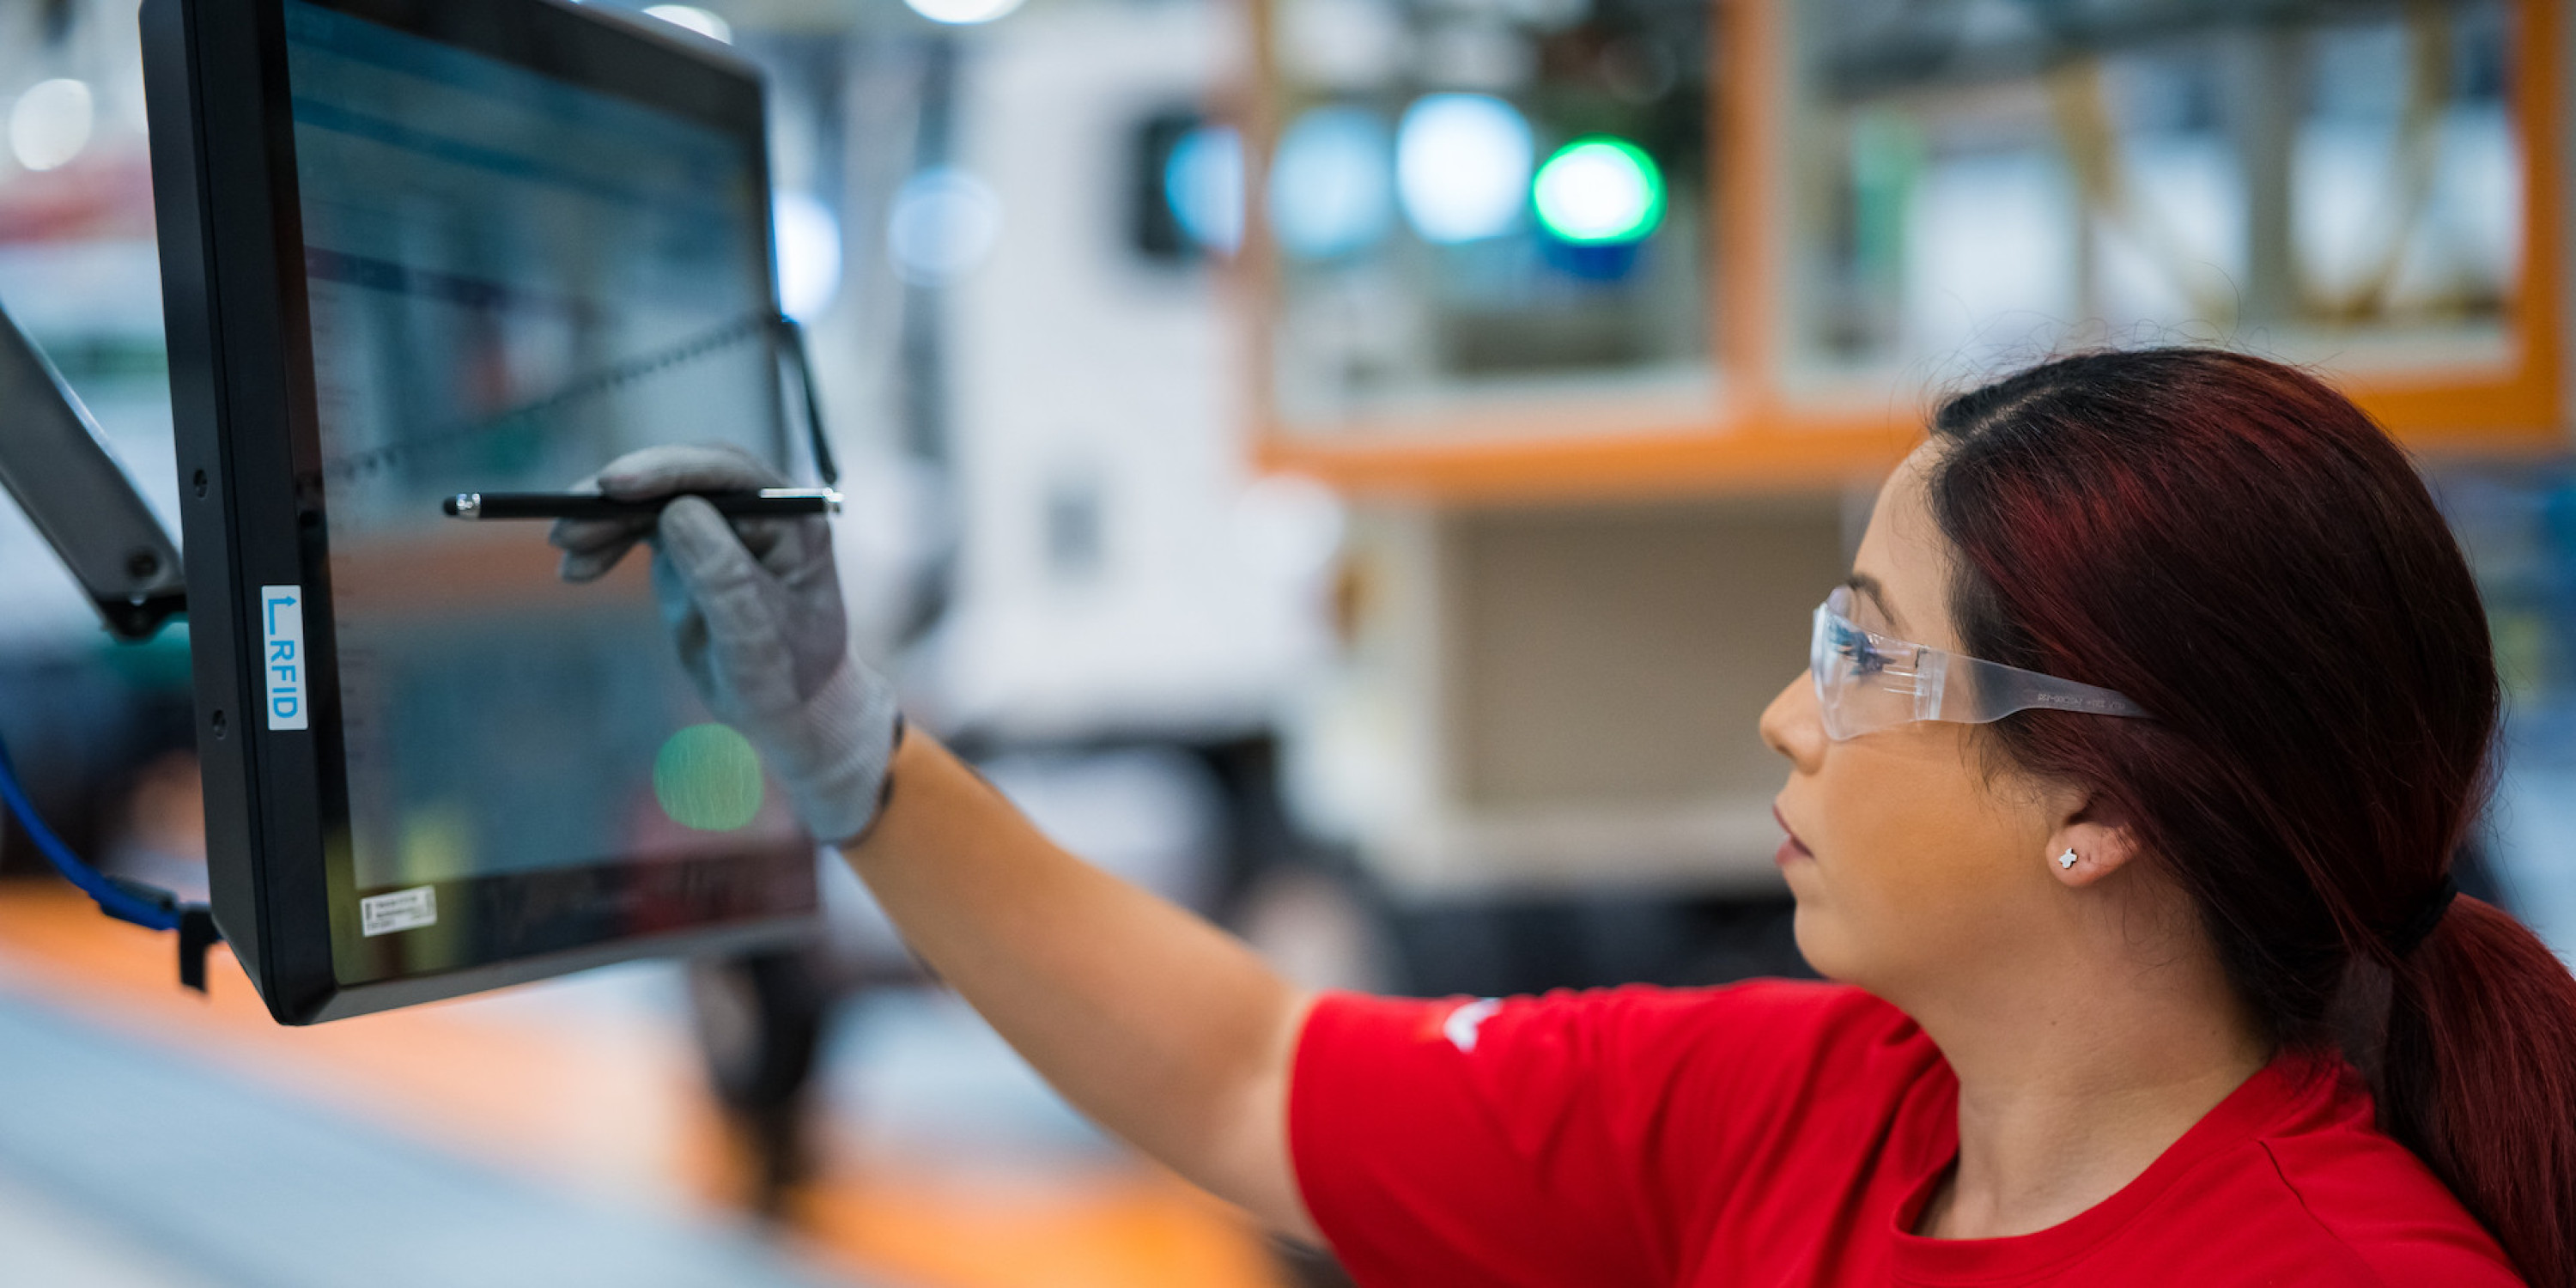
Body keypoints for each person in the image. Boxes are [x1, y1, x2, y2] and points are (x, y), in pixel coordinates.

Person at [553, 348, 2576, 1286]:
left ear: (2097, 798)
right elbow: (1259, 1074)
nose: (1789, 717)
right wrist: (856, 758)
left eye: (1868, 659)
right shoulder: (1823, 1103)